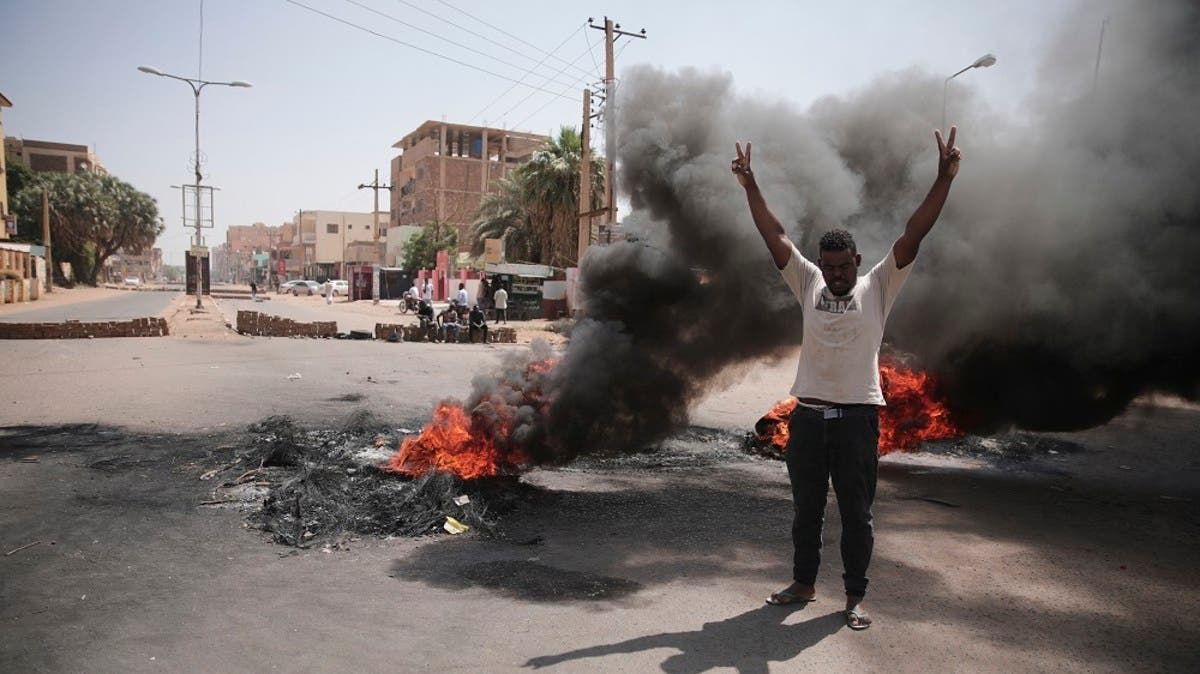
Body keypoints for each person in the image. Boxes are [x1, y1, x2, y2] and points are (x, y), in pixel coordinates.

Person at [732, 127, 962, 631]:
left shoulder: (879, 284)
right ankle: (803, 583)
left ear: (856, 262)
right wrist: (751, 185)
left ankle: (854, 597)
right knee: (805, 513)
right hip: (809, 419)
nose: (835, 273)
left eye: (842, 266)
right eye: (829, 265)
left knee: (857, 516)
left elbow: (913, 233)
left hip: (858, 420)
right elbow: (776, 237)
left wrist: (942, 179)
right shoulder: (807, 280)